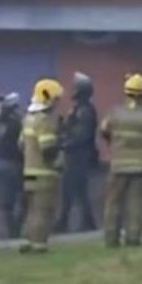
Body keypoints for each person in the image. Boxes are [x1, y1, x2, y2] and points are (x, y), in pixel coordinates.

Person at [100, 73, 142, 248]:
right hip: (140, 166)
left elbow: (104, 131)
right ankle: (133, 238)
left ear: (126, 92)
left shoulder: (114, 113)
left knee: (113, 203)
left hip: (118, 165)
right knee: (136, 204)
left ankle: (111, 238)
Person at [19, 78, 64, 253]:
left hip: (28, 172)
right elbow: (48, 148)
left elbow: (21, 145)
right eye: (56, 99)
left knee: (31, 210)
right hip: (44, 173)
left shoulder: (27, 119)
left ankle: (26, 240)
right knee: (42, 210)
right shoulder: (44, 121)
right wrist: (59, 160)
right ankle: (38, 244)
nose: (57, 103)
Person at [56, 72, 99, 233]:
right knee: (73, 190)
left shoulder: (85, 111)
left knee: (75, 190)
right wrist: (63, 129)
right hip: (74, 156)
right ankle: (77, 221)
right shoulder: (78, 109)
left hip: (79, 156)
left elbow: (81, 135)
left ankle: (78, 222)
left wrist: (64, 144)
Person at [0, 92, 24, 238]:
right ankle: (16, 229)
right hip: (15, 165)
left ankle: (12, 231)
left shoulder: (0, 124)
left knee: (7, 203)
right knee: (22, 198)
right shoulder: (16, 123)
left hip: (2, 165)